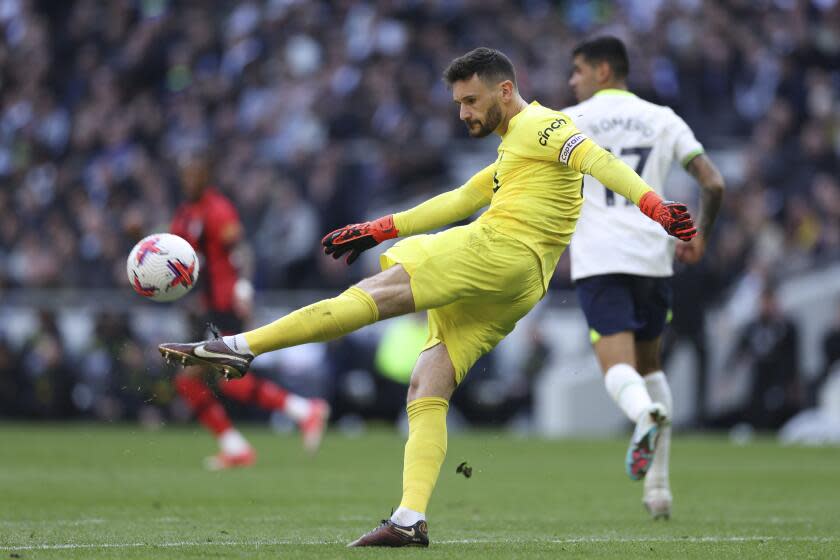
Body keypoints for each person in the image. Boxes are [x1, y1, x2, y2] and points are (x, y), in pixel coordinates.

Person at [159, 48, 696, 546]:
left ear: (505, 90)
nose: (463, 113)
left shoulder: (543, 122)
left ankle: (241, 345)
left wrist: (654, 206)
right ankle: (409, 518)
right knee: (427, 382)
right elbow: (462, 197)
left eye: (471, 100)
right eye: (458, 103)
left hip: (499, 249)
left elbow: (598, 160)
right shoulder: (517, 148)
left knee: (376, 292)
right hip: (520, 283)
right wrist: (379, 227)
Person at [563, 36, 725, 519]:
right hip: (654, 258)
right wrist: (700, 235)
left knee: (618, 368)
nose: (572, 81)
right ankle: (658, 491)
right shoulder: (663, 118)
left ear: (603, 71)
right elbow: (713, 182)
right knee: (651, 368)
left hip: (600, 259)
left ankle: (641, 417)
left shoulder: (571, 122)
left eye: (578, 70)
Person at [168, 154, 329, 470]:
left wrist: (243, 285)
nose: (189, 181)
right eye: (184, 175)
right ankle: (295, 415)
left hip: (228, 306)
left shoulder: (218, 210)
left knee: (205, 379)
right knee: (212, 379)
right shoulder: (186, 214)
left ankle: (293, 416)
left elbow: (241, 250)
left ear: (206, 175)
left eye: (194, 174)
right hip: (208, 309)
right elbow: (168, 254)